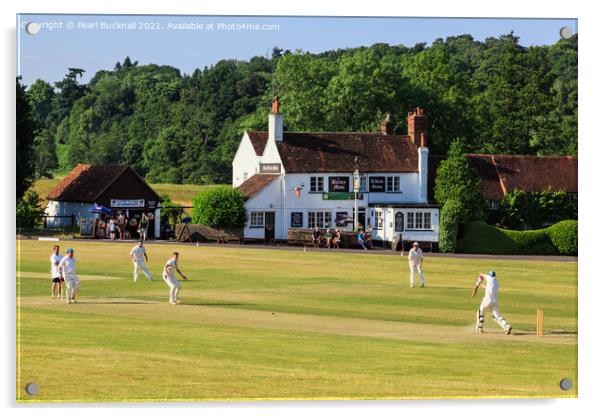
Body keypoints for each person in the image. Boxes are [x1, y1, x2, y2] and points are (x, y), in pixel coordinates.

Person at [475, 271, 512, 335]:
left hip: (487, 300)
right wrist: (480, 284)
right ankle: (507, 326)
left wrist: (479, 279)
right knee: (497, 316)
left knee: (480, 312)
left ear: (490, 275)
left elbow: (481, 273)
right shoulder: (496, 282)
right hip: (495, 302)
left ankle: (479, 328)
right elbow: (487, 288)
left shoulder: (489, 278)